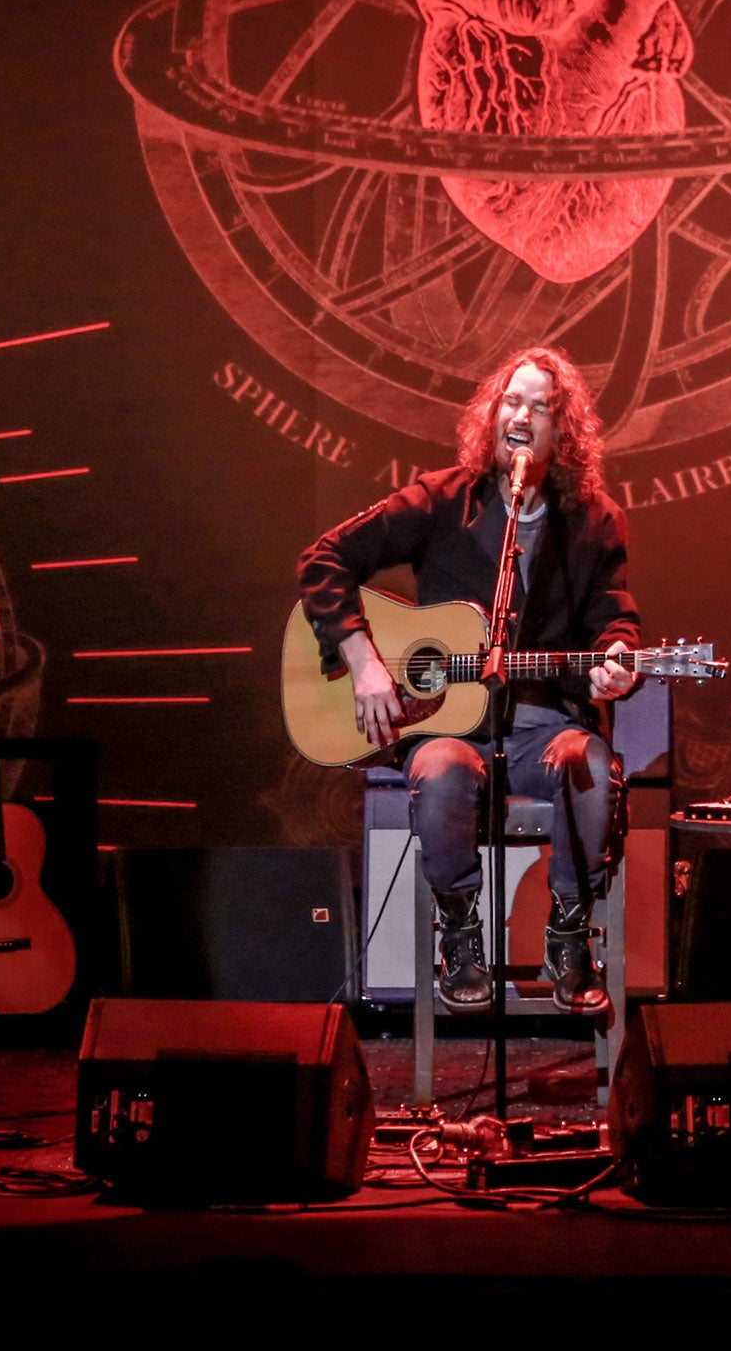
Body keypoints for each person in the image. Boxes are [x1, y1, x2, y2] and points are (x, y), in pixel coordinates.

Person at [297, 347, 640, 1014]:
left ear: (562, 428)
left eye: (540, 406)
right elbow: (325, 557)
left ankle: (569, 936)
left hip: (548, 727)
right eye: (512, 401)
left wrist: (616, 665)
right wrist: (362, 658)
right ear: (493, 415)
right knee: (445, 770)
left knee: (589, 767)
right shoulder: (442, 499)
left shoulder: (596, 521)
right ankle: (460, 935)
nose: (521, 415)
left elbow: (615, 623)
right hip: (446, 727)